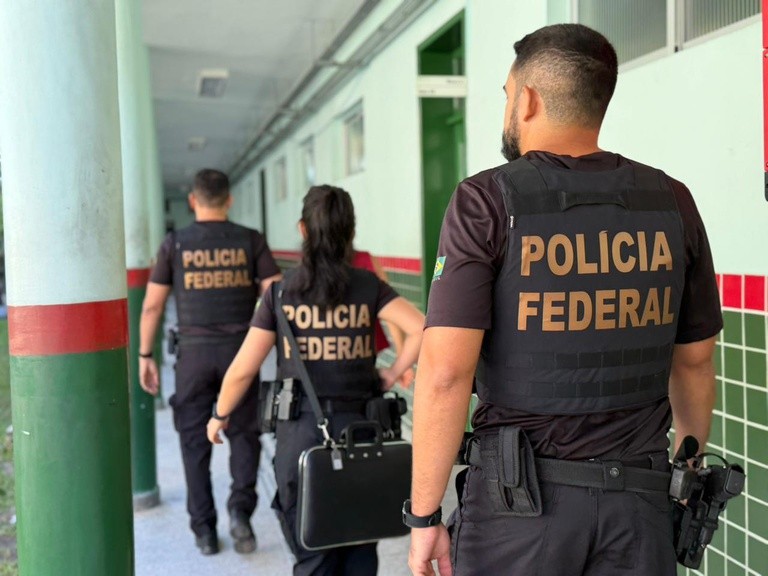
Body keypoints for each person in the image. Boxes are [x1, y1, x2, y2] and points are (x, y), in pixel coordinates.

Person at [406, 24, 722, 576]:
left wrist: (423, 514)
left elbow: (445, 374)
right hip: (639, 506)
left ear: (527, 100)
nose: (507, 109)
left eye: (507, 95)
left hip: (518, 512)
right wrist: (686, 470)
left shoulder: (484, 201)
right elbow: (694, 362)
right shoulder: (673, 201)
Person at [207, 185, 425, 576]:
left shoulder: (280, 294)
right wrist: (393, 372)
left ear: (303, 230)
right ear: (351, 231)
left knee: (312, 554)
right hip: (363, 434)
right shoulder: (368, 286)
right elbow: (422, 327)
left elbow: (243, 367)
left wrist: (219, 414)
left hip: (302, 435)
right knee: (360, 549)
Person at [139, 168, 281, 556]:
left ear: (193, 201)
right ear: (229, 200)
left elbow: (152, 306)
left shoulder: (175, 244)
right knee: (245, 435)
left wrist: (145, 354)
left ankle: (204, 530)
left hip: (193, 356)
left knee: (193, 442)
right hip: (241, 353)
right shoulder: (250, 240)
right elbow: (275, 295)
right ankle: (241, 514)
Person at [352, 249, 416, 386]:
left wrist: (401, 360)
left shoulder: (305, 271)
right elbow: (392, 314)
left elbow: (391, 313)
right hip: (363, 360)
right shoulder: (365, 261)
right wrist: (399, 367)